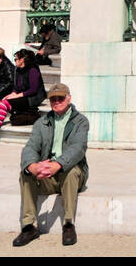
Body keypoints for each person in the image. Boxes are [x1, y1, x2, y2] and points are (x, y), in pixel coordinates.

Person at [12, 83, 88, 248]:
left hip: (70, 171)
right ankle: (28, 226)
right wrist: (32, 166)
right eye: (53, 99)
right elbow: (31, 147)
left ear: (69, 99)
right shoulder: (42, 122)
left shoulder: (81, 121)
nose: (56, 101)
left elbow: (78, 149)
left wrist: (58, 164)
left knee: (71, 171)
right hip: (49, 174)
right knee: (25, 173)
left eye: (60, 98)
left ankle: (68, 224)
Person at [0, 49, 45, 144]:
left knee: (3, 105)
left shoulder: (32, 70)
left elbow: (33, 90)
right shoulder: (17, 70)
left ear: (22, 60)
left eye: (16, 59)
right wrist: (11, 94)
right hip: (21, 96)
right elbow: (16, 88)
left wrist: (17, 95)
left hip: (32, 98)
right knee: (0, 103)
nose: (14, 61)